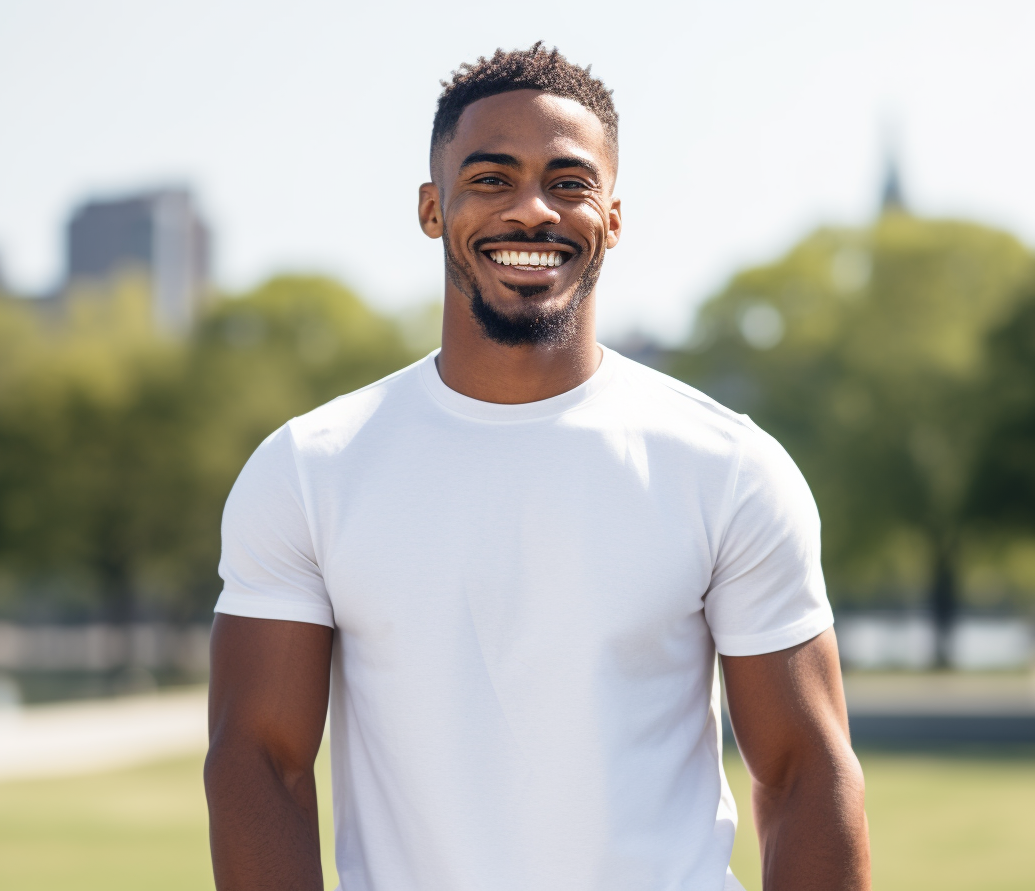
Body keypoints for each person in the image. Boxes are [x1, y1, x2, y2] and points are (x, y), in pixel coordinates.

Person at [204, 43, 870, 891]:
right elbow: (259, 763)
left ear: (613, 219)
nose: (532, 212)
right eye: (490, 179)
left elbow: (806, 771)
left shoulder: (729, 469)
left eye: (569, 183)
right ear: (431, 209)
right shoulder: (308, 469)